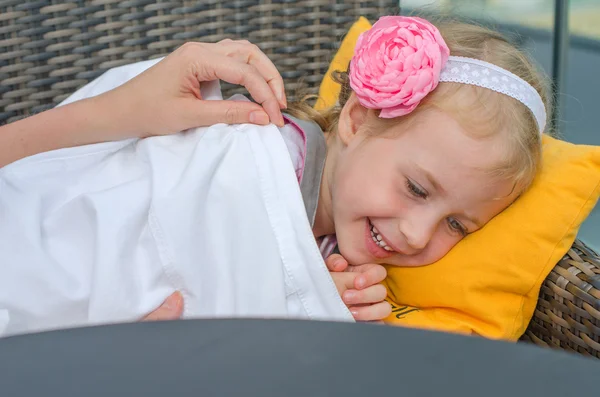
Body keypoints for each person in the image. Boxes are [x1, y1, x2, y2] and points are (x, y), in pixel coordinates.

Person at [0, 15, 550, 336]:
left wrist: (309, 294)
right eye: (416, 189)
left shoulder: (335, 253)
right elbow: (175, 216)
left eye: (458, 224)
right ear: (358, 118)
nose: (417, 234)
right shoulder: (251, 153)